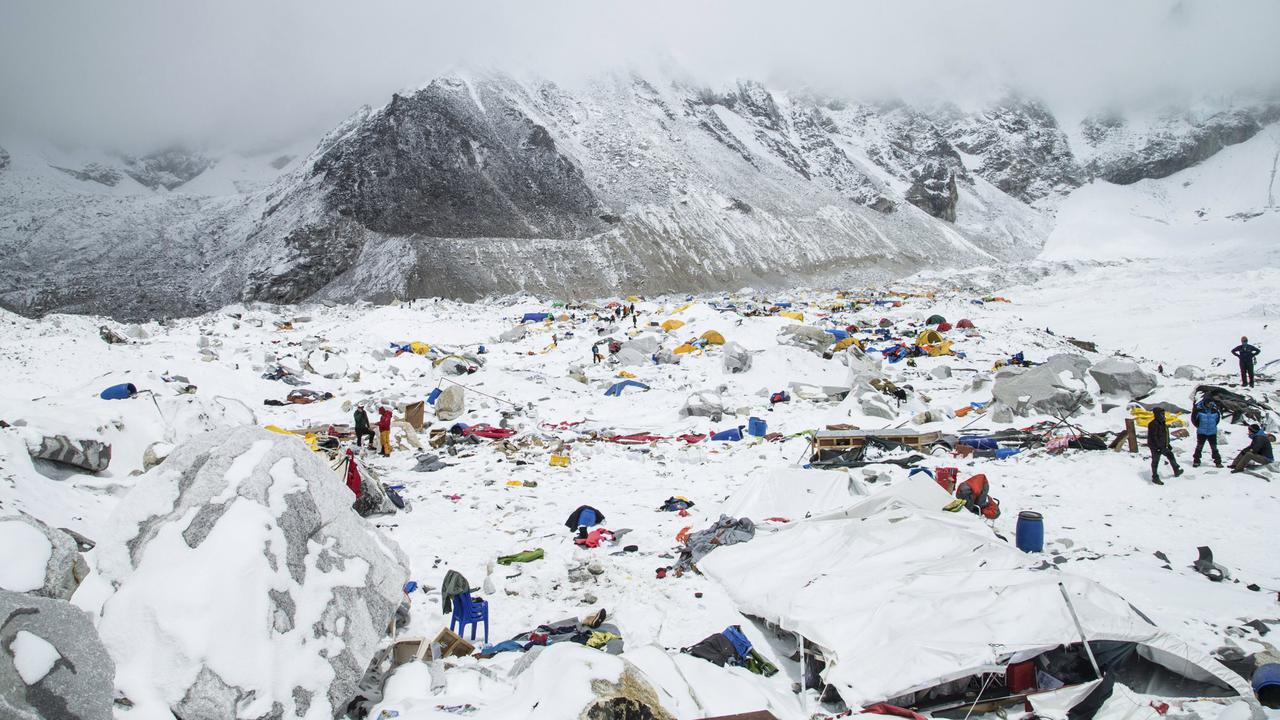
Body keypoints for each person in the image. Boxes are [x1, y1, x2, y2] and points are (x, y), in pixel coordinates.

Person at [1146, 407, 1182, 484]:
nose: (1163, 415)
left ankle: (1176, 470)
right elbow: (1153, 437)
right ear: (1156, 414)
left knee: (1170, 455)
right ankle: (1155, 477)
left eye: (1163, 413)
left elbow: (1164, 435)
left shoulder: (1162, 422)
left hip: (1162, 445)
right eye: (1161, 414)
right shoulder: (1153, 424)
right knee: (1155, 461)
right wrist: (1158, 447)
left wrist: (1167, 444)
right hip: (1155, 447)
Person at [1191, 399, 1223, 468]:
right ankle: (1196, 461)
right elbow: (1194, 420)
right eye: (1209, 403)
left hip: (1212, 432)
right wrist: (1199, 426)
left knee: (1214, 448)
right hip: (1201, 432)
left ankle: (1218, 462)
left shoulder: (1215, 410)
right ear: (1205, 403)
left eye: (1211, 403)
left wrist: (1213, 426)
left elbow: (1217, 420)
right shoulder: (1199, 410)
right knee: (1199, 447)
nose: (1210, 405)